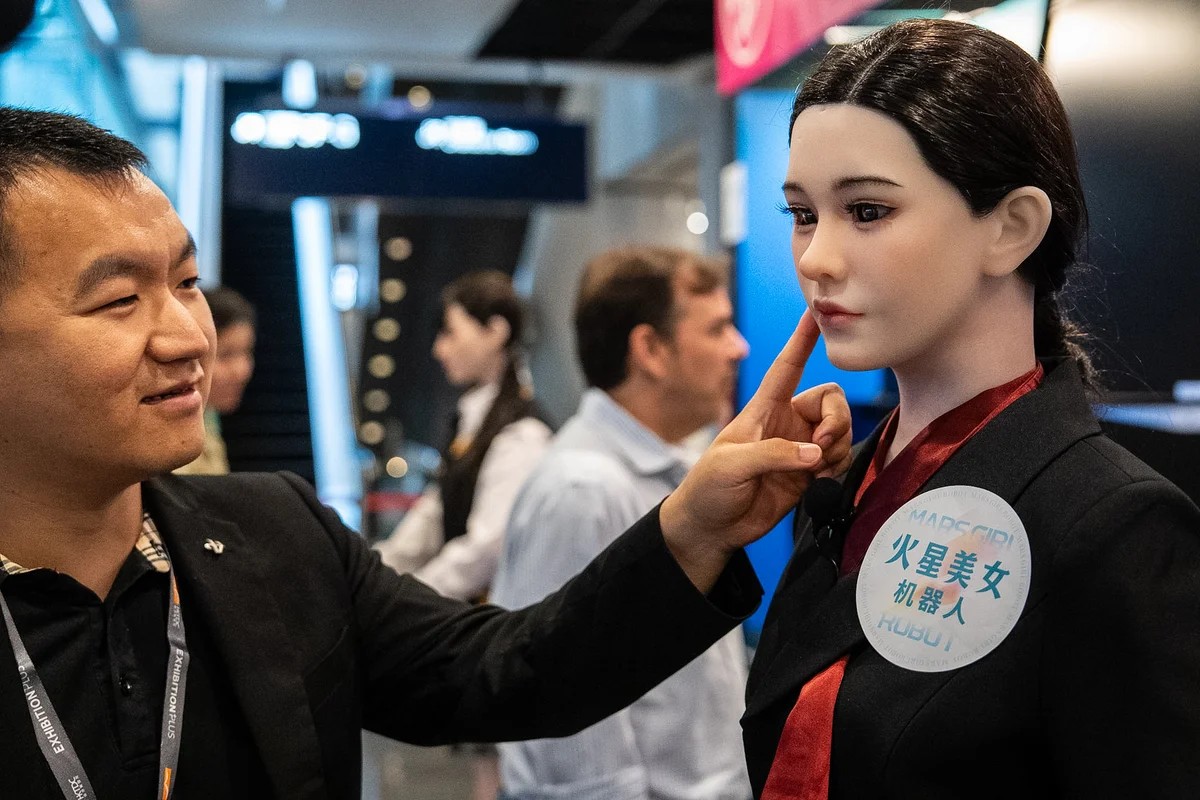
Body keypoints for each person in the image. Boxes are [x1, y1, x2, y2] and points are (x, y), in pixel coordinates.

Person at [0, 107, 852, 800]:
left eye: (187, 283)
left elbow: (506, 670)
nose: (189, 337)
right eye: (119, 300)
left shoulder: (272, 536)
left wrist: (692, 531)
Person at [743, 18, 1200, 799]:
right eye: (803, 214)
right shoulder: (838, 489)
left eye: (867, 211)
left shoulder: (1114, 529)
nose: (816, 258)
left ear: (1011, 228)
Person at [492, 246, 753, 800]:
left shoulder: (670, 470)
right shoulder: (583, 492)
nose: (739, 347)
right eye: (717, 328)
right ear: (650, 350)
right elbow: (572, 743)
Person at [375, 270, 551, 604]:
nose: (439, 349)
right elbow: (436, 509)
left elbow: (486, 549)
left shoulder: (523, 433)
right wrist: (378, 570)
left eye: (450, 332)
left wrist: (407, 600)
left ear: (495, 332)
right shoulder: (473, 416)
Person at [174, 285, 256, 475]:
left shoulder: (209, 419)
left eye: (246, 352)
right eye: (226, 355)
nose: (242, 371)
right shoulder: (169, 438)